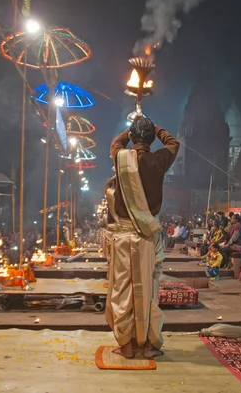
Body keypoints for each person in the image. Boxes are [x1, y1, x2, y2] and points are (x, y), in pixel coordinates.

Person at [105, 115, 179, 359]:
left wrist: (130, 129)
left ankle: (126, 344)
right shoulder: (159, 160)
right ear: (150, 138)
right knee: (149, 291)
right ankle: (150, 344)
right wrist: (155, 127)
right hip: (147, 238)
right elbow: (173, 143)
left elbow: (115, 145)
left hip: (124, 238)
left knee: (123, 291)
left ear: (132, 137)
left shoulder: (121, 158)